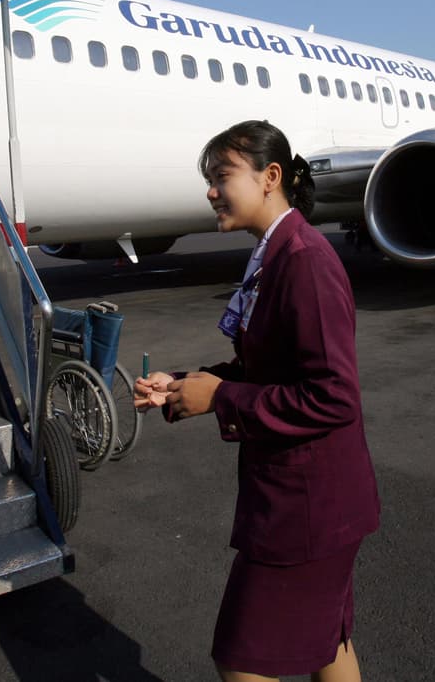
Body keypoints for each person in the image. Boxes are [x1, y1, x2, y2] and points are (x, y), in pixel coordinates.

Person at [135, 120, 380, 682]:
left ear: (271, 178)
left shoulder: (304, 261)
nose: (210, 191)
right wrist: (185, 384)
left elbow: (333, 397)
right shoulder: (274, 254)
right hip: (312, 500)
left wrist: (221, 397)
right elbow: (266, 370)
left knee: (241, 658)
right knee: (329, 645)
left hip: (308, 508)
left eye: (221, 176)